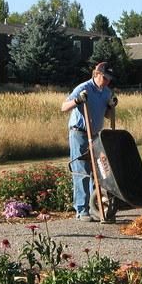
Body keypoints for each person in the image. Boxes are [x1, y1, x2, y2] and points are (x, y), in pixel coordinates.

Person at [61, 62, 117, 222]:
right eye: (105, 78)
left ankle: (96, 207)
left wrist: (110, 106)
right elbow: (64, 106)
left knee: (98, 171)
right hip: (79, 134)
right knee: (82, 171)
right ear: (96, 74)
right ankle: (81, 210)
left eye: (109, 79)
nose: (107, 81)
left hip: (96, 135)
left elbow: (106, 115)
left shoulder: (106, 91)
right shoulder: (83, 88)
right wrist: (78, 100)